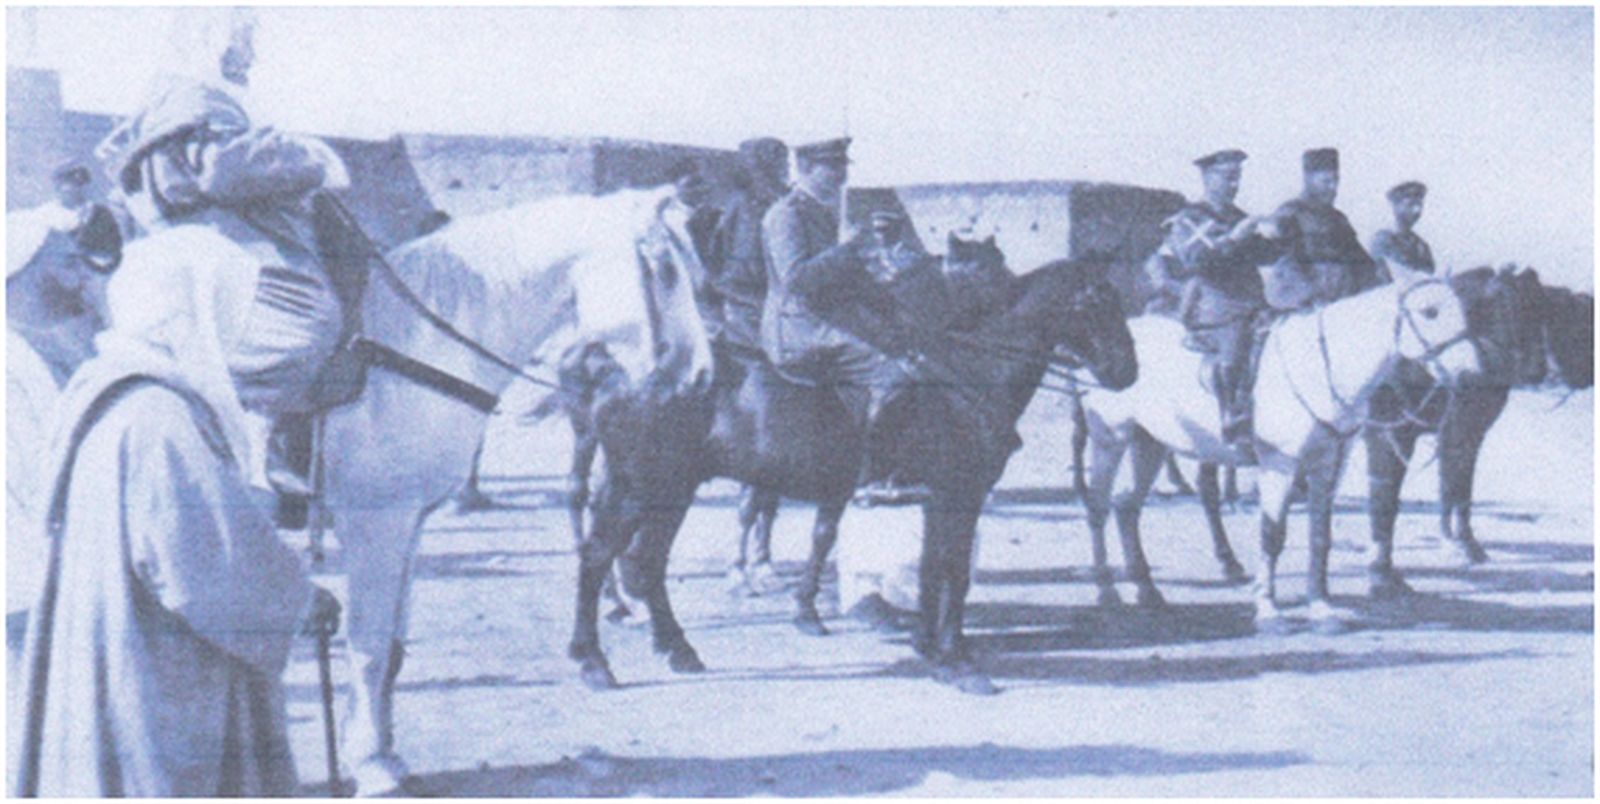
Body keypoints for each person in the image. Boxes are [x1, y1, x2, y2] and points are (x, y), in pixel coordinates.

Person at [10, 223, 340, 796]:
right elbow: (207, 562)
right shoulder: (156, 418)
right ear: (188, 315)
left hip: (122, 656)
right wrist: (300, 597)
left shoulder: (112, 393)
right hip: (155, 681)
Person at [95, 77, 358, 518]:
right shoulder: (199, 127)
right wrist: (312, 159)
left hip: (167, 272)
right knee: (313, 324)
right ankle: (258, 441)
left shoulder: (141, 166)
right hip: (231, 273)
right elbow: (225, 170)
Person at [760, 137, 926, 504]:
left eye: (843, 166)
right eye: (831, 167)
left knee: (912, 355)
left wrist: (896, 314)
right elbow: (796, 280)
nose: (841, 174)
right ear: (805, 168)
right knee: (893, 375)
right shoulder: (785, 214)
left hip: (825, 321)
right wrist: (847, 248)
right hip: (797, 328)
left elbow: (850, 278)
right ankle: (869, 477)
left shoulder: (820, 211)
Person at [6, 206, 124, 690]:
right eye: (69, 264)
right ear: (26, 270)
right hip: (25, 584)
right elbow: (38, 481)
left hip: (57, 578)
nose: (82, 280)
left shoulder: (48, 347)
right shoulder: (8, 364)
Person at [1158, 149, 1276, 453]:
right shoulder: (1188, 219)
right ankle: (1233, 418)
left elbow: (1263, 256)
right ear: (1207, 177)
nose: (1234, 184)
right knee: (1235, 353)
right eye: (1227, 177)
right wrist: (1234, 239)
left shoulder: (1239, 217)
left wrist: (1280, 239)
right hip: (1217, 307)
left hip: (1255, 304)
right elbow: (1195, 262)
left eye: (1237, 177)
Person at [1262, 147, 1381, 310]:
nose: (1333, 187)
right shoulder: (1291, 213)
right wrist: (1309, 296)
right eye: (1326, 181)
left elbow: (1361, 261)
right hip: (1305, 305)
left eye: (1336, 181)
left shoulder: (1338, 219)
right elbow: (1285, 261)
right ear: (1308, 180)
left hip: (1343, 303)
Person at [710, 137, 789, 355]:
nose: (785, 165)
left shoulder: (783, 197)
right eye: (778, 159)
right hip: (749, 294)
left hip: (773, 292)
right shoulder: (745, 201)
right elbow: (734, 248)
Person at [1370, 181, 1435, 277]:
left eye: (1420, 205)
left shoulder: (1421, 246)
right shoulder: (1383, 240)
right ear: (1396, 207)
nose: (1417, 210)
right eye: (1411, 205)